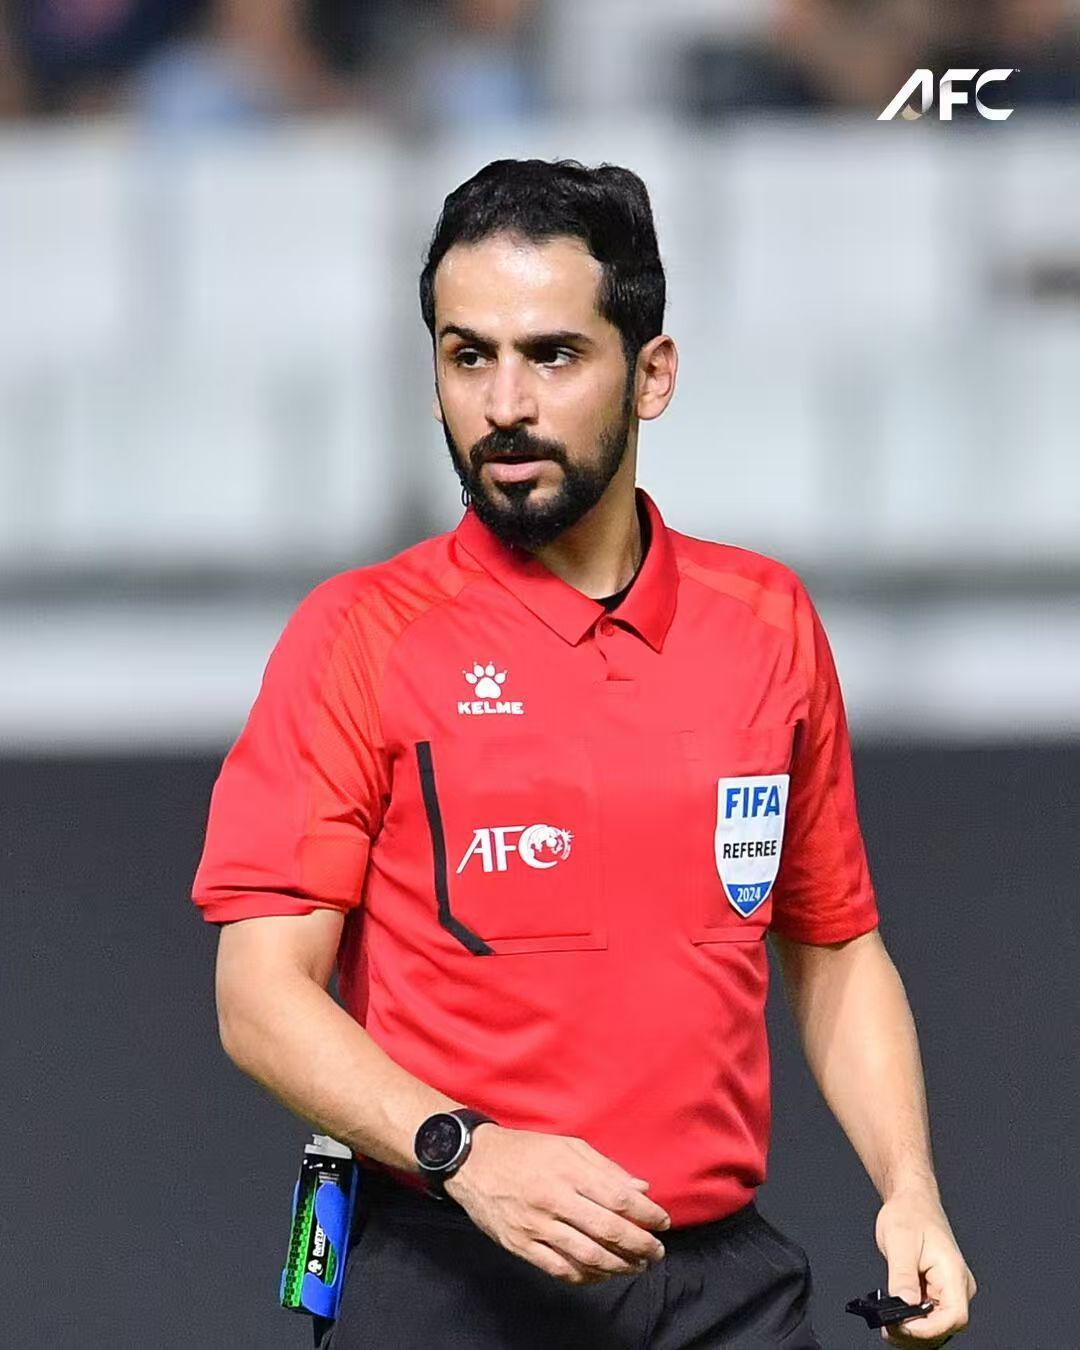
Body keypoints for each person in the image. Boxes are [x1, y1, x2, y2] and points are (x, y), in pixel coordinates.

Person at [191, 158, 977, 1348]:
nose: (505, 403)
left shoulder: (766, 623)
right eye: (468, 357)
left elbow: (834, 949)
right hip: (451, 1269)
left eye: (552, 355)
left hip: (723, 1288)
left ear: (651, 373)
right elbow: (258, 997)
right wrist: (466, 1154)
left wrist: (910, 1191)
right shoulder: (356, 637)